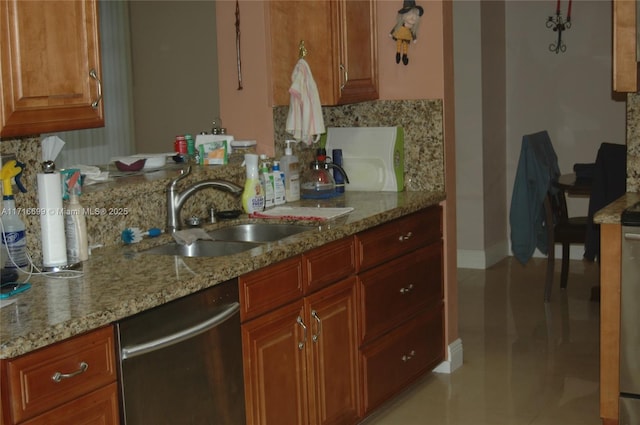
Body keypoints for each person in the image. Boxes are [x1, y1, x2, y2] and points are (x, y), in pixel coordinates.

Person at [390, 0, 423, 65]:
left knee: (405, 46)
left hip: (406, 37)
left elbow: (413, 32)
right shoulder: (400, 24)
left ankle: (405, 56)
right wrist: (391, 33)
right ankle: (398, 54)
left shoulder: (411, 28)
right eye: (410, 15)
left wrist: (414, 38)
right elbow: (396, 27)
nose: (413, 18)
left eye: (414, 16)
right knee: (399, 44)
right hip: (399, 35)